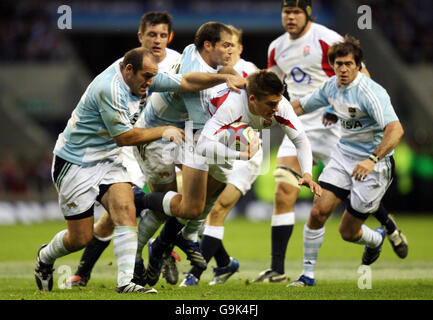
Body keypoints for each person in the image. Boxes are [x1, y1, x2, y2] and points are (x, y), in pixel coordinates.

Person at [34, 46, 246, 294]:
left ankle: (125, 282)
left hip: (108, 159)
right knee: (79, 238)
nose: (151, 82)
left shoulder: (143, 76)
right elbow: (124, 137)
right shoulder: (109, 89)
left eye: (153, 76)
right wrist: (163, 130)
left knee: (125, 208)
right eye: (146, 76)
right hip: (75, 163)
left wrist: (224, 77)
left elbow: (186, 81)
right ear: (128, 70)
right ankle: (45, 257)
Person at [254, 0, 408, 283]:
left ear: (307, 14)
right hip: (309, 131)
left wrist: (336, 110)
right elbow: (282, 93)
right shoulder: (277, 48)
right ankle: (288, 271)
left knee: (350, 220)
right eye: (286, 11)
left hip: (338, 131)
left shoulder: (329, 40)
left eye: (296, 11)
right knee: (296, 199)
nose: (290, 17)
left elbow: (385, 113)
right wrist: (266, 113)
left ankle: (383, 230)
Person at [66, 11, 182, 288]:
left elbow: (187, 92)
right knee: (126, 207)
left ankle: (159, 251)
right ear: (140, 36)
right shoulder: (125, 66)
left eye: (162, 35)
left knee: (165, 204)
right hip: (131, 142)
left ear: (170, 37)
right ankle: (85, 272)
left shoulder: (179, 62)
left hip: (163, 144)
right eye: (151, 34)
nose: (157, 40)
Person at [287, 35, 405, 287]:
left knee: (347, 232)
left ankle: (376, 239)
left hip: (375, 165)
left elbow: (396, 129)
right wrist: (269, 111)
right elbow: (299, 106)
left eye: (348, 64)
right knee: (318, 211)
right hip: (343, 155)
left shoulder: (370, 92)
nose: (342, 69)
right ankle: (307, 276)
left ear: (358, 65)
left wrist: (373, 158)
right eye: (338, 64)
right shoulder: (331, 87)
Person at [179, 25, 259, 286]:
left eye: (231, 44)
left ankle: (194, 274)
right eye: (224, 44)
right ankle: (224, 264)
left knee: (216, 209)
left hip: (245, 151)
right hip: (216, 148)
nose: (228, 48)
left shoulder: (250, 73)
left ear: (239, 47)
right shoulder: (212, 73)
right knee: (198, 207)